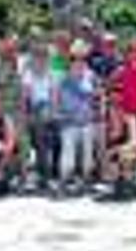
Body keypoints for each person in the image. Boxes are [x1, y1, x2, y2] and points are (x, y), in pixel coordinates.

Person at [56, 49, 97, 189]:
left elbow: (97, 95)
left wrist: (95, 111)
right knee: (68, 155)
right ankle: (64, 179)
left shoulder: (90, 76)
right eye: (75, 60)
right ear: (71, 62)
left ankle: (86, 179)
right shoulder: (63, 79)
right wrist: (59, 115)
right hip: (68, 122)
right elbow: (56, 99)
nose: (79, 63)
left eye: (82, 60)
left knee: (88, 155)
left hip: (87, 121)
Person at [19, 45, 59, 187]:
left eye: (44, 57)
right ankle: (35, 173)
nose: (41, 60)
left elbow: (54, 96)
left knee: (42, 136)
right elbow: (25, 96)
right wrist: (24, 114)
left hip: (46, 108)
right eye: (38, 57)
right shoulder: (28, 74)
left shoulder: (52, 74)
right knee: (33, 138)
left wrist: (53, 114)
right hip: (33, 108)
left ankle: (44, 174)